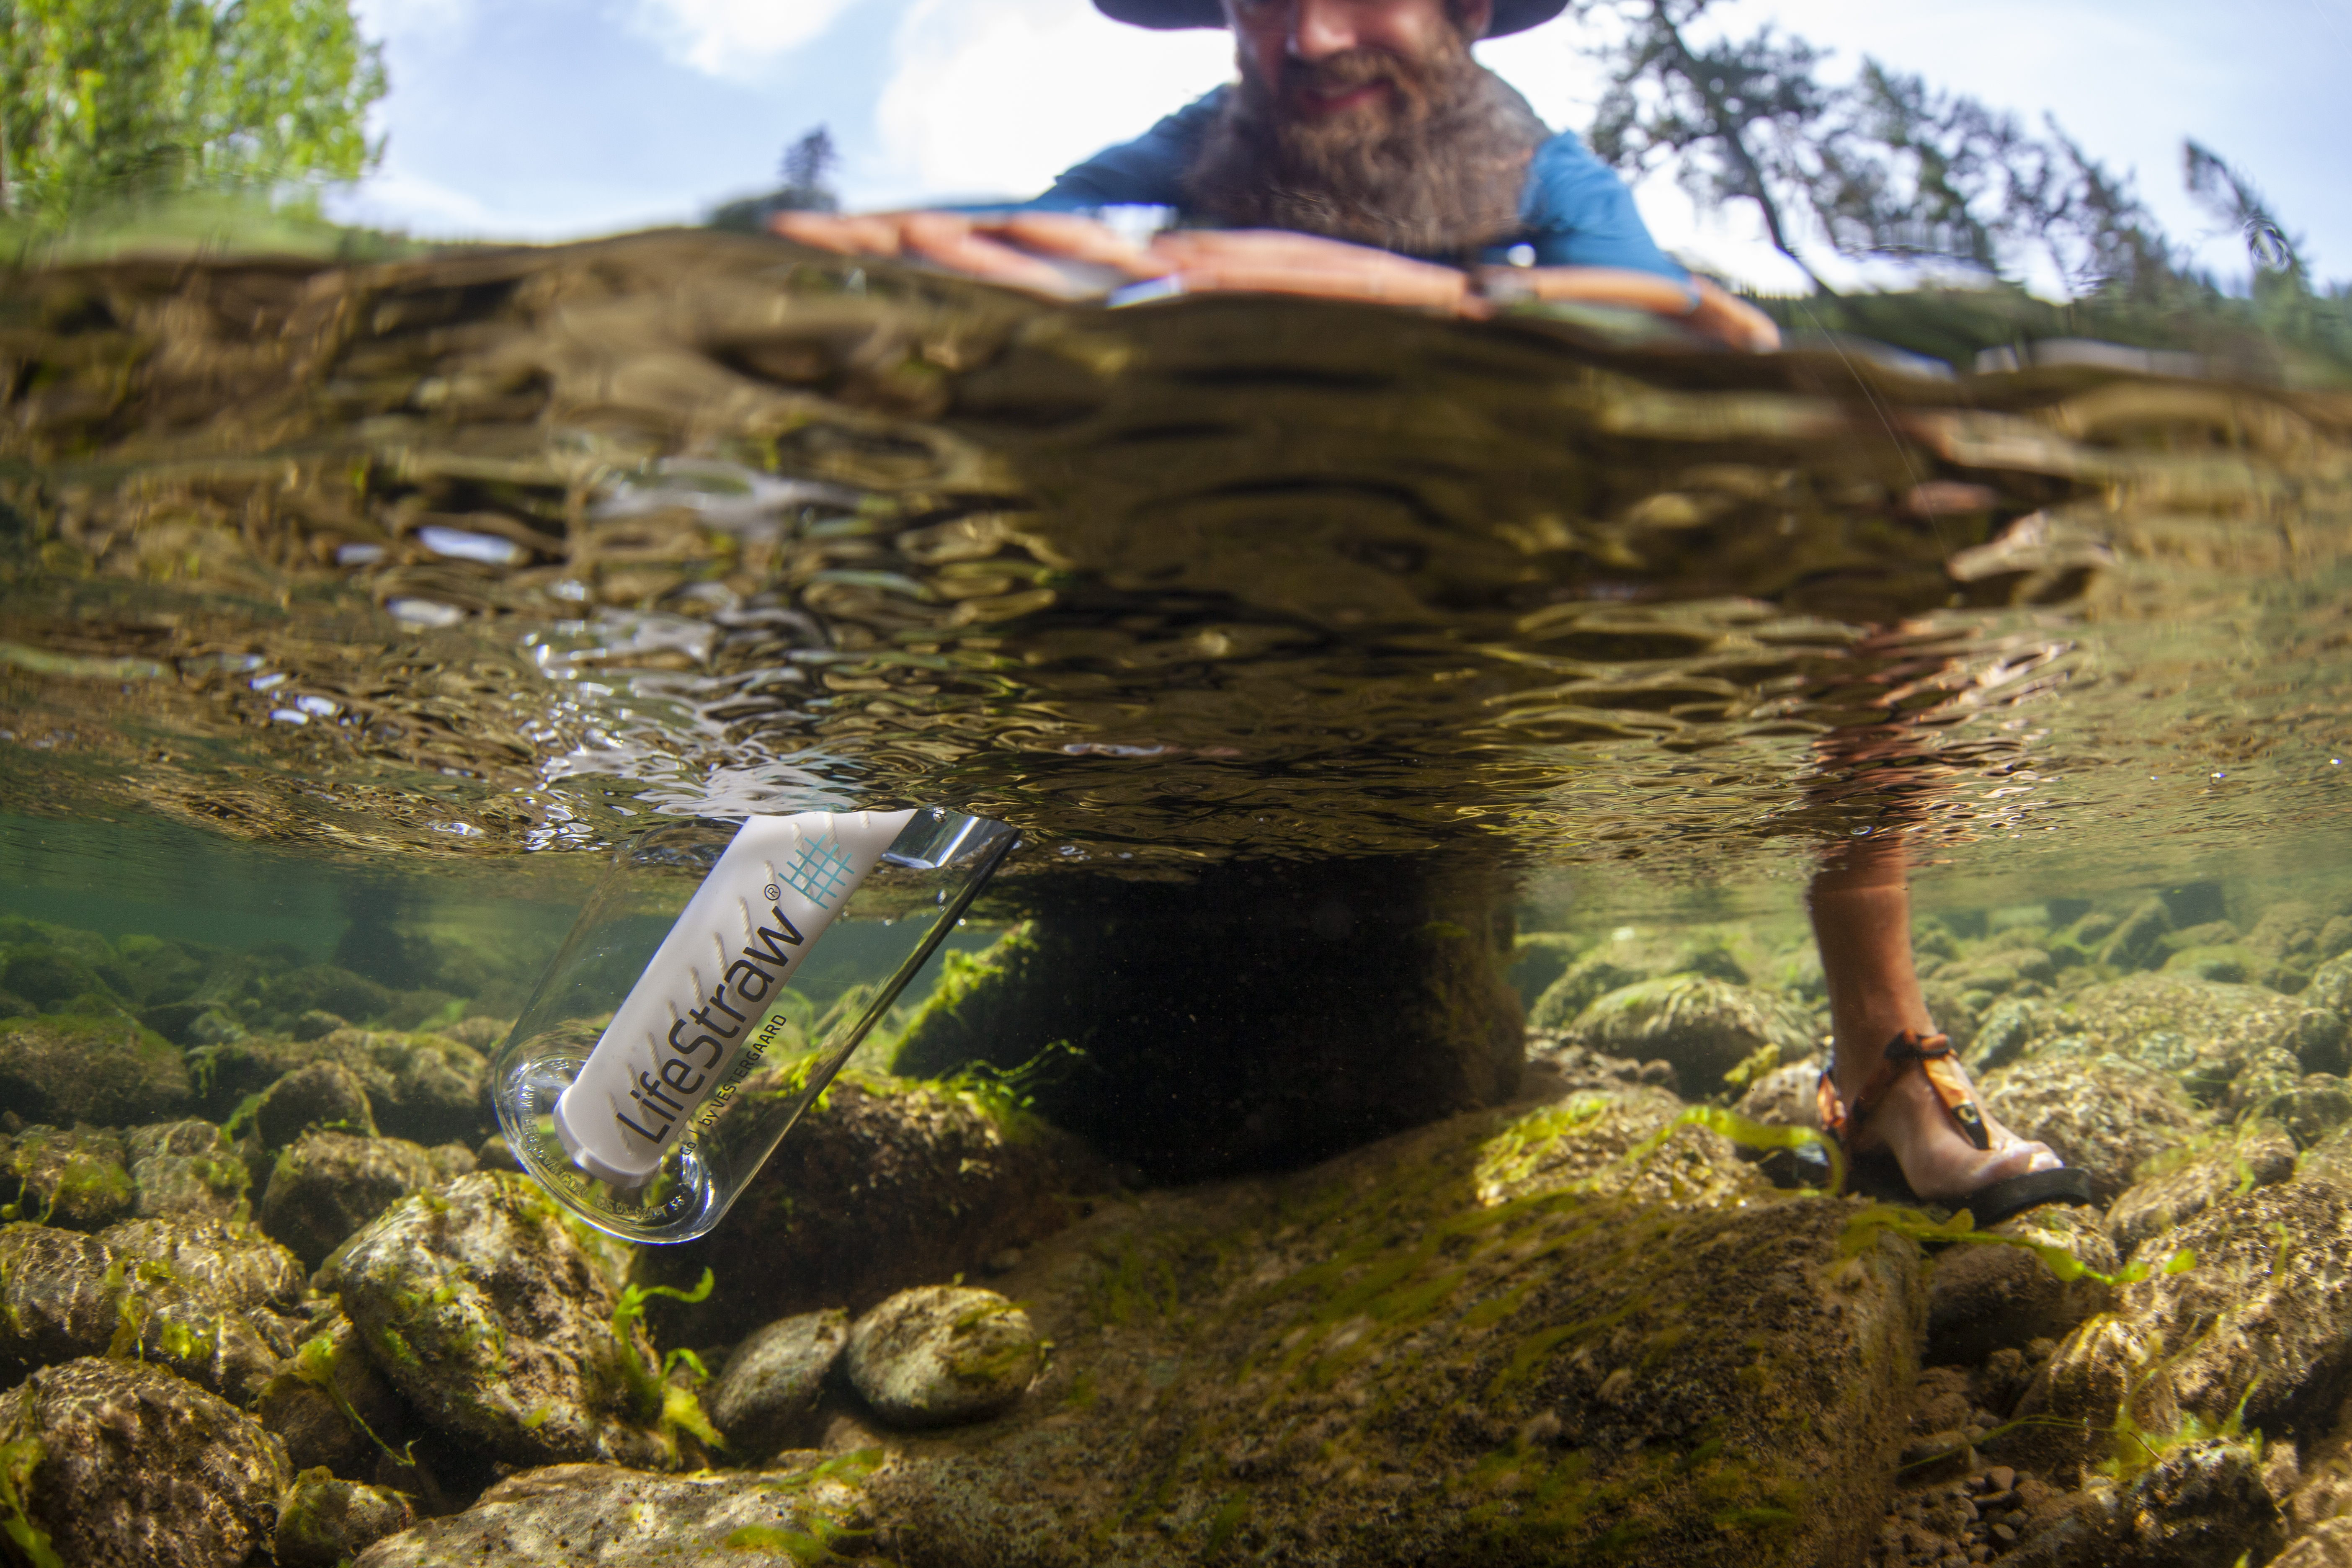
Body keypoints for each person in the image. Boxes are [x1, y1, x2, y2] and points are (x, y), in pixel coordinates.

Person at [776, 0, 2088, 1222]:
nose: (1312, 35)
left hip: (1484, 639)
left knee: (1880, 576)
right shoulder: (1196, 146)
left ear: (1468, 8)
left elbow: (1660, 341)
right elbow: (996, 274)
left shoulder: (1541, 172)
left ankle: (1886, 1063)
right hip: (1205, 654)